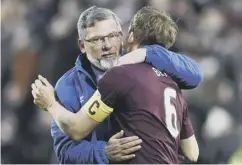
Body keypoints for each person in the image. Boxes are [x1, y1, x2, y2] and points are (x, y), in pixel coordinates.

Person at [32, 6, 202, 164]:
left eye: (112, 36)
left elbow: (195, 73)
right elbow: (64, 151)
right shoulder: (68, 86)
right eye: (97, 39)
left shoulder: (141, 65)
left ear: (124, 36)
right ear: (82, 45)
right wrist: (103, 152)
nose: (107, 45)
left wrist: (148, 52)